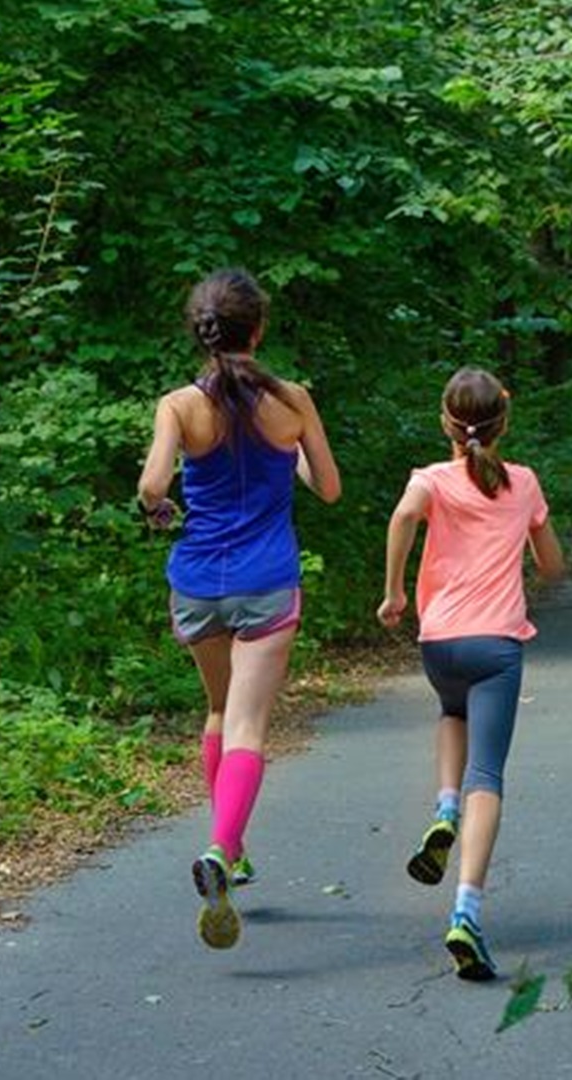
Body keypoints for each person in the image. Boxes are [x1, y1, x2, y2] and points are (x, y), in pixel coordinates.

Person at [138, 268, 340, 951]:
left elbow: (153, 485)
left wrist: (160, 507)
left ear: (201, 332)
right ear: (259, 328)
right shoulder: (295, 401)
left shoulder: (178, 406)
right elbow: (330, 488)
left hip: (197, 582)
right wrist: (294, 456)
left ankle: (234, 847)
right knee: (250, 726)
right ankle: (223, 851)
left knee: (220, 711)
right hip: (267, 582)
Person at [377, 366, 565, 980]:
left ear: (446, 424)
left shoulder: (430, 480)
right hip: (496, 645)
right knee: (491, 771)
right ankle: (466, 913)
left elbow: (403, 517)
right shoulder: (524, 483)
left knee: (449, 711)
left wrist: (395, 593)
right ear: (502, 424)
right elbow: (554, 566)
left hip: (440, 643)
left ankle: (445, 807)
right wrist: (533, 540)